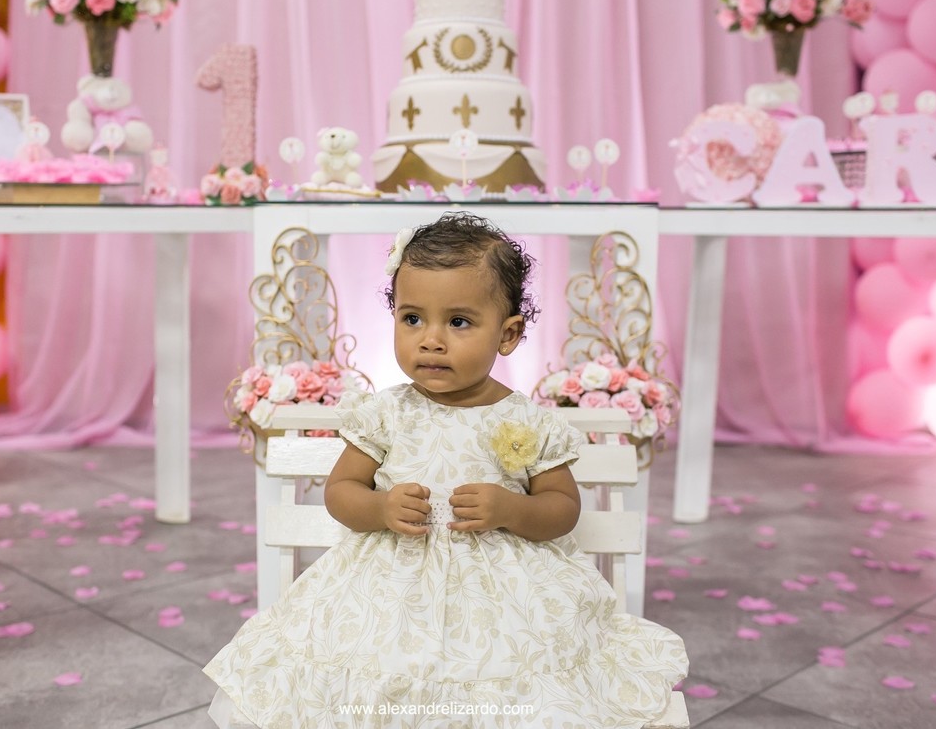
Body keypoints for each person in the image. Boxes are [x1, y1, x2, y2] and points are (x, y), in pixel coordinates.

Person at [204, 212, 688, 727]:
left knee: (515, 671)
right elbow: (340, 491)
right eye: (412, 319)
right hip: (390, 591)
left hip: (503, 599)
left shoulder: (524, 418)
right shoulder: (386, 414)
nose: (430, 340)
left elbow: (563, 509)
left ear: (507, 334)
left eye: (458, 322)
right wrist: (380, 506)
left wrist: (511, 508)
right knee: (371, 661)